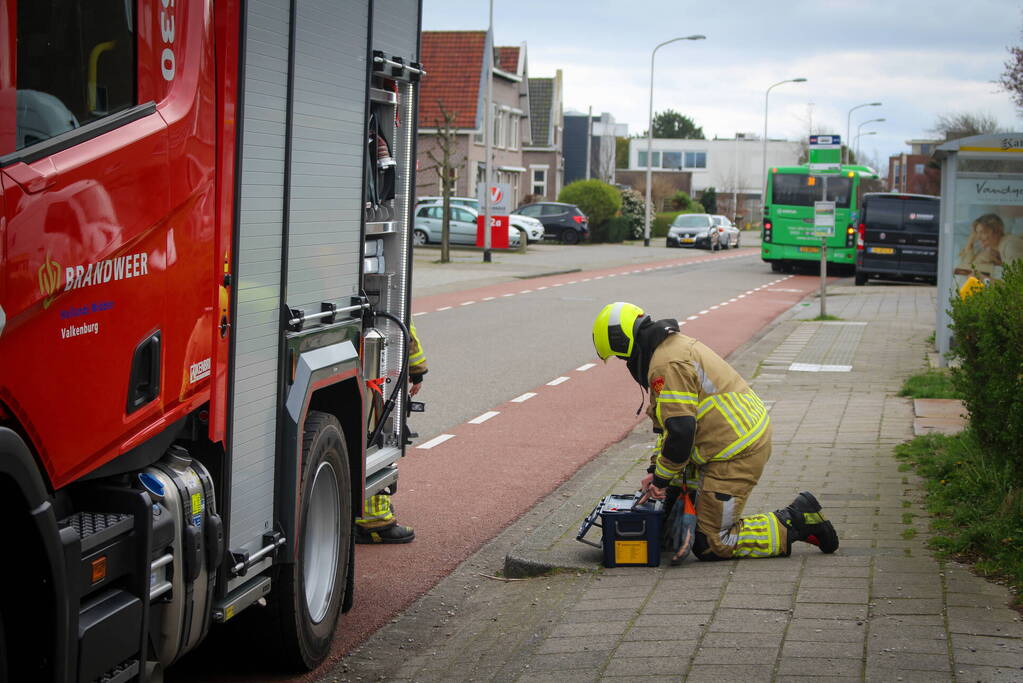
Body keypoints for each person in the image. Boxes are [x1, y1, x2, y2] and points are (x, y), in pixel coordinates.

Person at [591, 302, 838, 560]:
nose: (625, 363)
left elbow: (681, 433)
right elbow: (669, 429)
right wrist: (656, 472)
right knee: (670, 489)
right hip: (723, 443)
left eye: (621, 356)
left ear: (625, 343)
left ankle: (797, 520)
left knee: (712, 543)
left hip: (737, 452)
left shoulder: (667, 364)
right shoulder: (667, 350)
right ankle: (678, 512)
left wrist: (662, 479)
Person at [355, 322, 427, 544]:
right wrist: (417, 370)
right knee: (379, 439)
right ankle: (375, 522)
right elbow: (405, 330)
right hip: (375, 371)